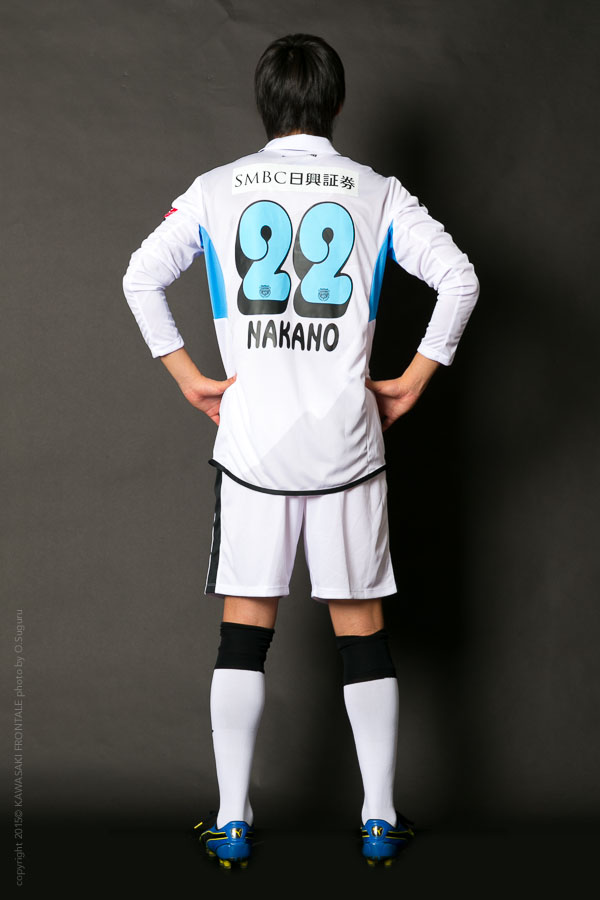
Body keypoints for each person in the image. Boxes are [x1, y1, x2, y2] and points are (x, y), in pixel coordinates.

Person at [122, 33, 479, 869]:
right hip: (349, 442)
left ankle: (233, 822)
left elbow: (141, 276)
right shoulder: (377, 192)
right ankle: (379, 820)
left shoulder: (216, 189)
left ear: (264, 104)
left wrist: (188, 377)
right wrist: (413, 380)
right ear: (337, 104)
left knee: (244, 631)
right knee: (363, 630)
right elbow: (460, 278)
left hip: (252, 444)